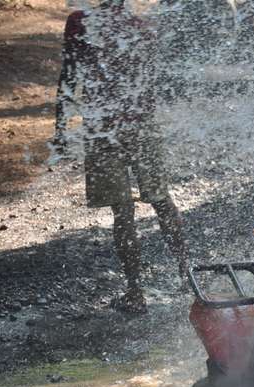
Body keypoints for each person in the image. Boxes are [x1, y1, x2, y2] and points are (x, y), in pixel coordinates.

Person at [54, 0, 188, 313]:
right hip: (142, 126)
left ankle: (135, 292)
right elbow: (149, 84)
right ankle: (187, 276)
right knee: (161, 200)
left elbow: (69, 77)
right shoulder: (142, 28)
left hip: (102, 128)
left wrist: (60, 128)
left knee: (123, 212)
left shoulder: (80, 21)